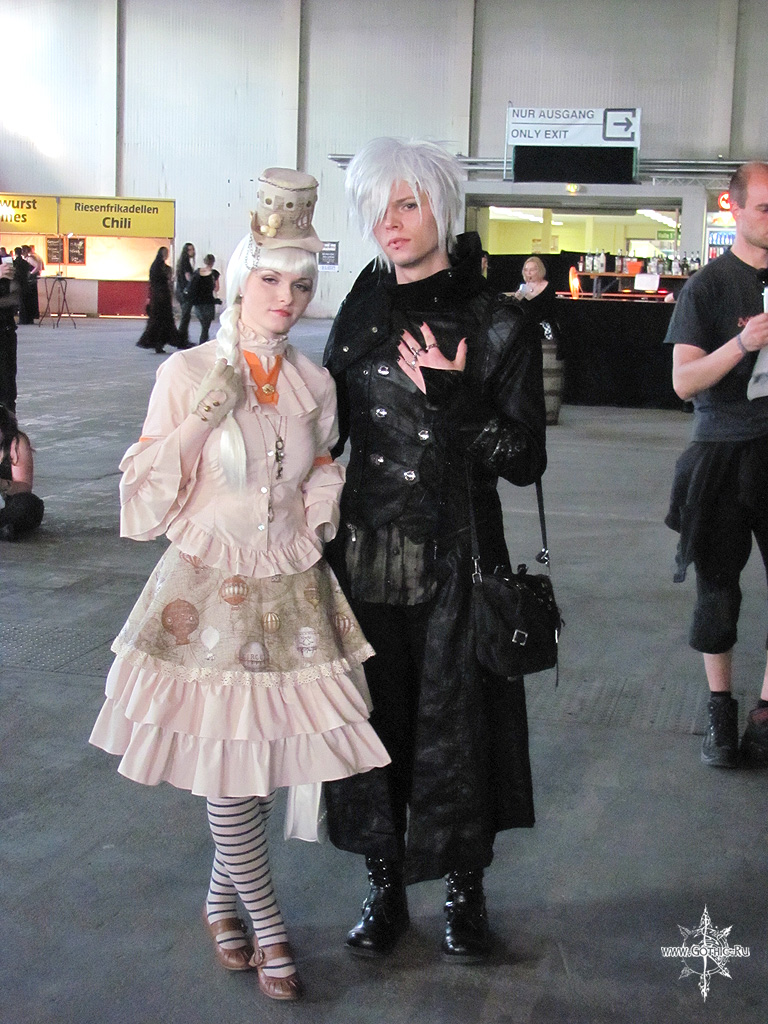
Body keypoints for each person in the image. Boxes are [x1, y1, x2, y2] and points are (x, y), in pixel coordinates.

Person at [89, 169, 390, 1003]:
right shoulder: (187, 373)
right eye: (271, 281)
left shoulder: (313, 382)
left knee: (256, 763)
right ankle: (269, 924)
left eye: (301, 285)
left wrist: (316, 512)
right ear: (237, 279)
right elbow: (145, 492)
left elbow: (322, 465)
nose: (286, 299)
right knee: (231, 765)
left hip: (290, 587)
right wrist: (200, 419)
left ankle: (220, 902)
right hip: (207, 585)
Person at [322, 138, 547, 962]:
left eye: (409, 204)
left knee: (460, 729)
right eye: (379, 207)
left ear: (442, 210)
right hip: (364, 554)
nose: (392, 222)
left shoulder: (498, 320)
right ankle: (383, 887)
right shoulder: (360, 307)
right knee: (371, 722)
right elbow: (329, 428)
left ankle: (463, 892)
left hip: (459, 558)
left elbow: (524, 460)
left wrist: (456, 403)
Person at [665, 161, 768, 769]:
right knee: (718, 593)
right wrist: (742, 344)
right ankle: (720, 711)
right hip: (722, 456)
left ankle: (766, 711)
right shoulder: (706, 287)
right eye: (766, 208)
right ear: (735, 208)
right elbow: (683, 382)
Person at [0, 404, 44, 541]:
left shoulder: (16, 442)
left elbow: (24, 487)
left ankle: (5, 525)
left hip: (9, 504)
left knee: (29, 504)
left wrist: (2, 484)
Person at [136, 247, 185, 353]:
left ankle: (157, 343)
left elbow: (152, 283)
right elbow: (168, 282)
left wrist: (150, 297)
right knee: (165, 320)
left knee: (156, 321)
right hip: (163, 297)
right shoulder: (165, 268)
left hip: (157, 297)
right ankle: (162, 342)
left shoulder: (154, 267)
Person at [186, 253, 221, 344]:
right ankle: (203, 341)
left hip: (198, 301)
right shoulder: (214, 273)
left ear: (204, 261)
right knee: (206, 325)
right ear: (213, 262)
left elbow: (191, 283)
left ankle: (204, 340)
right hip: (209, 301)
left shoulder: (197, 272)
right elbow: (216, 288)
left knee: (203, 324)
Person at [0, 261, 19, 411]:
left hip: (5, 332)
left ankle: (8, 421)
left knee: (7, 391)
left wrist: (12, 281)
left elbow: (14, 297)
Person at [175, 241, 196, 345]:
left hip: (180, 291)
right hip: (185, 293)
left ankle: (183, 339)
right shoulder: (186, 263)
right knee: (185, 317)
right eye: (190, 250)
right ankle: (181, 340)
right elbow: (188, 278)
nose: (193, 251)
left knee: (185, 316)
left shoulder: (181, 262)